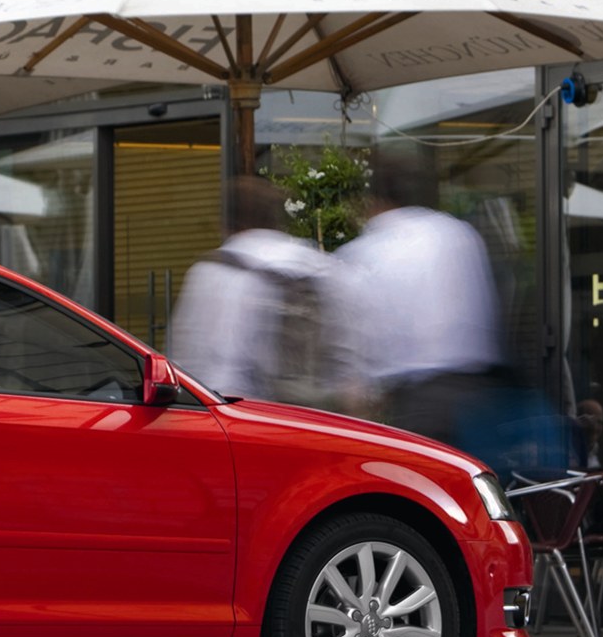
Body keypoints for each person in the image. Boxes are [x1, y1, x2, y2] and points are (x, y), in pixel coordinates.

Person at [333, 151, 502, 445]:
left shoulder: (364, 253)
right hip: (481, 392)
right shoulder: (458, 234)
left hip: (419, 401)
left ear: (374, 201)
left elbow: (361, 348)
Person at [168, 176, 342, 407]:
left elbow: (183, 352)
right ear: (275, 220)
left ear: (227, 224)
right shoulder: (310, 264)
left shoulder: (207, 271)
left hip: (215, 404)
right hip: (288, 407)